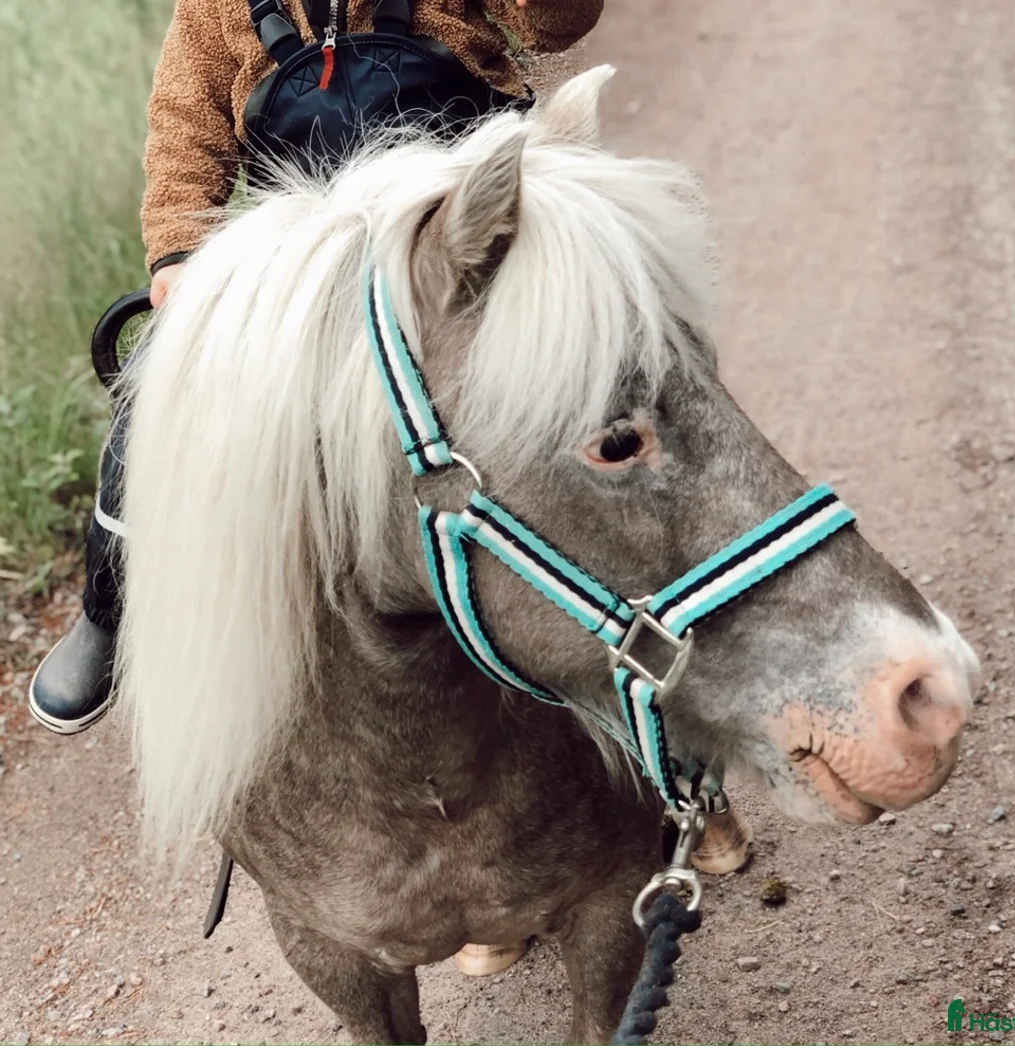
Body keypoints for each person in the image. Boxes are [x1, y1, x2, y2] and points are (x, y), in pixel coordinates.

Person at [28, 0, 748, 976]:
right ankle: (112, 608)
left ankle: (689, 748)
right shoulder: (218, 9)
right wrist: (179, 261)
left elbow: (558, 22)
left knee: (608, 436)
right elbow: (184, 135)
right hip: (322, 301)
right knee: (143, 427)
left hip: (469, 280)